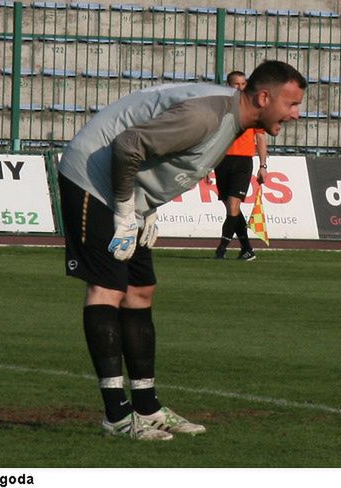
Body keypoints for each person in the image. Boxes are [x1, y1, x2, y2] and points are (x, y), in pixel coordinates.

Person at [57, 60, 307, 441]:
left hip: (127, 190)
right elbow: (128, 145)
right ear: (263, 97)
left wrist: (146, 207)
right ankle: (116, 416)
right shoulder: (207, 116)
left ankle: (147, 408)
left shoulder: (231, 117)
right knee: (107, 288)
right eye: (291, 104)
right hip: (92, 178)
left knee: (140, 291)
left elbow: (158, 154)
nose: (296, 114)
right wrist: (126, 210)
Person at [213, 70, 268, 261]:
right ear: (229, 85)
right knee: (231, 208)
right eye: (237, 84)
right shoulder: (221, 107)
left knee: (234, 204)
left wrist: (263, 165)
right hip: (221, 160)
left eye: (244, 84)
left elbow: (260, 136)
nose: (241, 87)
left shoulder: (254, 109)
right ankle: (247, 249)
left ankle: (221, 248)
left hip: (243, 161)